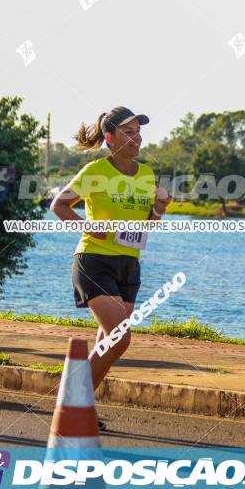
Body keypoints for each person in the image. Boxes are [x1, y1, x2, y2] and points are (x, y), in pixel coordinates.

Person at [50, 106, 171, 429]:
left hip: (129, 265)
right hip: (94, 260)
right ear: (110, 137)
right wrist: (89, 228)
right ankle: (72, 402)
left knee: (109, 339)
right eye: (128, 132)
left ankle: (81, 408)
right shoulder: (95, 172)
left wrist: (159, 209)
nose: (137, 138)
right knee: (120, 338)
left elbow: (148, 227)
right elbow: (59, 205)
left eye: (138, 131)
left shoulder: (146, 175)